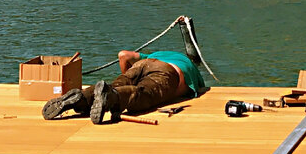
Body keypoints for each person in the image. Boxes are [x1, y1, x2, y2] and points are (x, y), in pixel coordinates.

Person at [43, 47, 206, 124]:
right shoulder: (189, 66)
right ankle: (113, 97)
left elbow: (123, 55)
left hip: (143, 64)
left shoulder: (154, 55)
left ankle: (82, 97)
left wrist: (128, 77)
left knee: (113, 85)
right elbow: (196, 89)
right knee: (143, 93)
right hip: (168, 72)